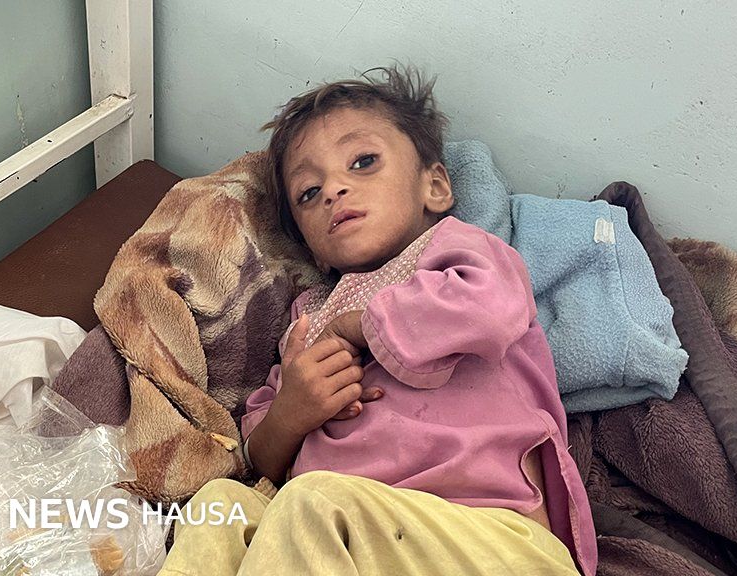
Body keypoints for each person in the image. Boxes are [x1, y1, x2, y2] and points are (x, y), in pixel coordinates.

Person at [158, 66, 597, 576]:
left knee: (311, 502)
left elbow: (490, 311)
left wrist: (361, 325)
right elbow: (259, 452)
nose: (334, 190)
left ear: (435, 187)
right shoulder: (308, 318)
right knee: (219, 504)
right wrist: (292, 412)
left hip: (490, 538)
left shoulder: (459, 251)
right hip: (341, 543)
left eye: (363, 162)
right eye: (308, 192)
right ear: (311, 250)